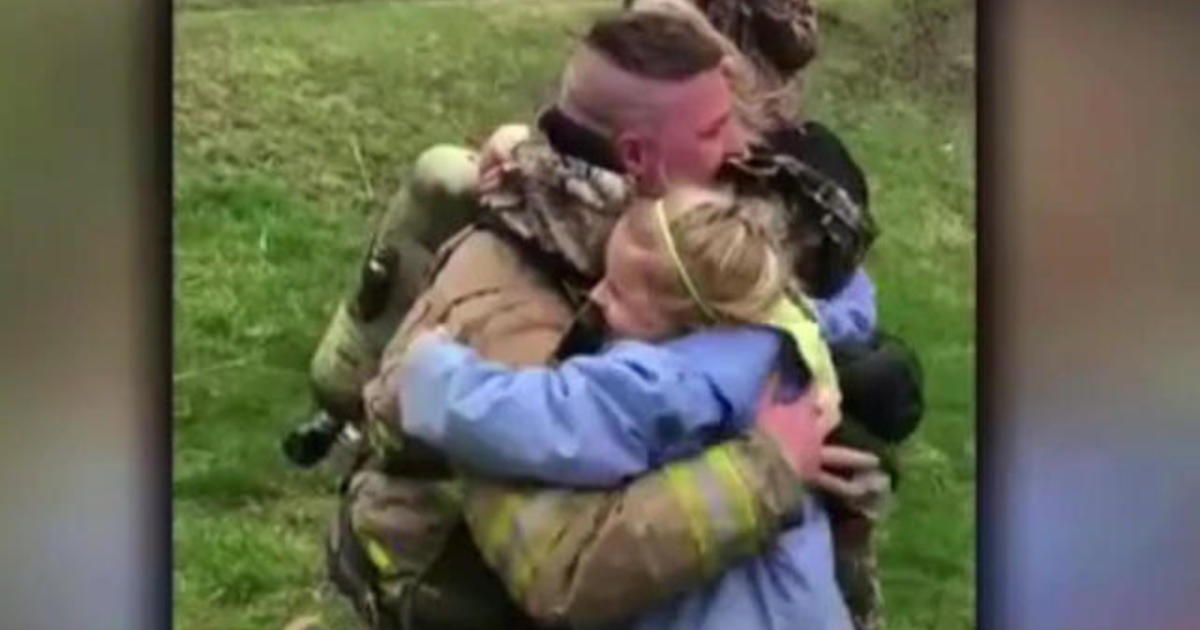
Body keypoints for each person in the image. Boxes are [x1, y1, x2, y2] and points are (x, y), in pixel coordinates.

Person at [318, 11, 888, 630]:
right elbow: (562, 571)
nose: (738, 150)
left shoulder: (667, 236)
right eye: (714, 130)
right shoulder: (503, 301)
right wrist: (769, 468)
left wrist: (835, 429)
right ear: (639, 157)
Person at [395, 186, 855, 629]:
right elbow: (855, 304)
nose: (595, 298)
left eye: (616, 291)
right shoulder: (770, 344)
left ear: (686, 320)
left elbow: (552, 421)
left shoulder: (670, 383)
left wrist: (435, 376)